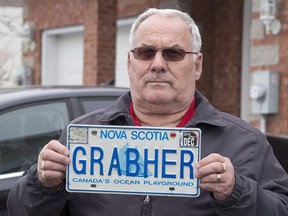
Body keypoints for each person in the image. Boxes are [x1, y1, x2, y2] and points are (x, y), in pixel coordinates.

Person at [7, 8, 288, 216]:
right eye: (145, 52)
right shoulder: (83, 134)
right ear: (130, 63)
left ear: (198, 65)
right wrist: (42, 182)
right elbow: (21, 209)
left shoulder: (245, 142)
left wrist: (236, 191)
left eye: (173, 53)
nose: (157, 64)